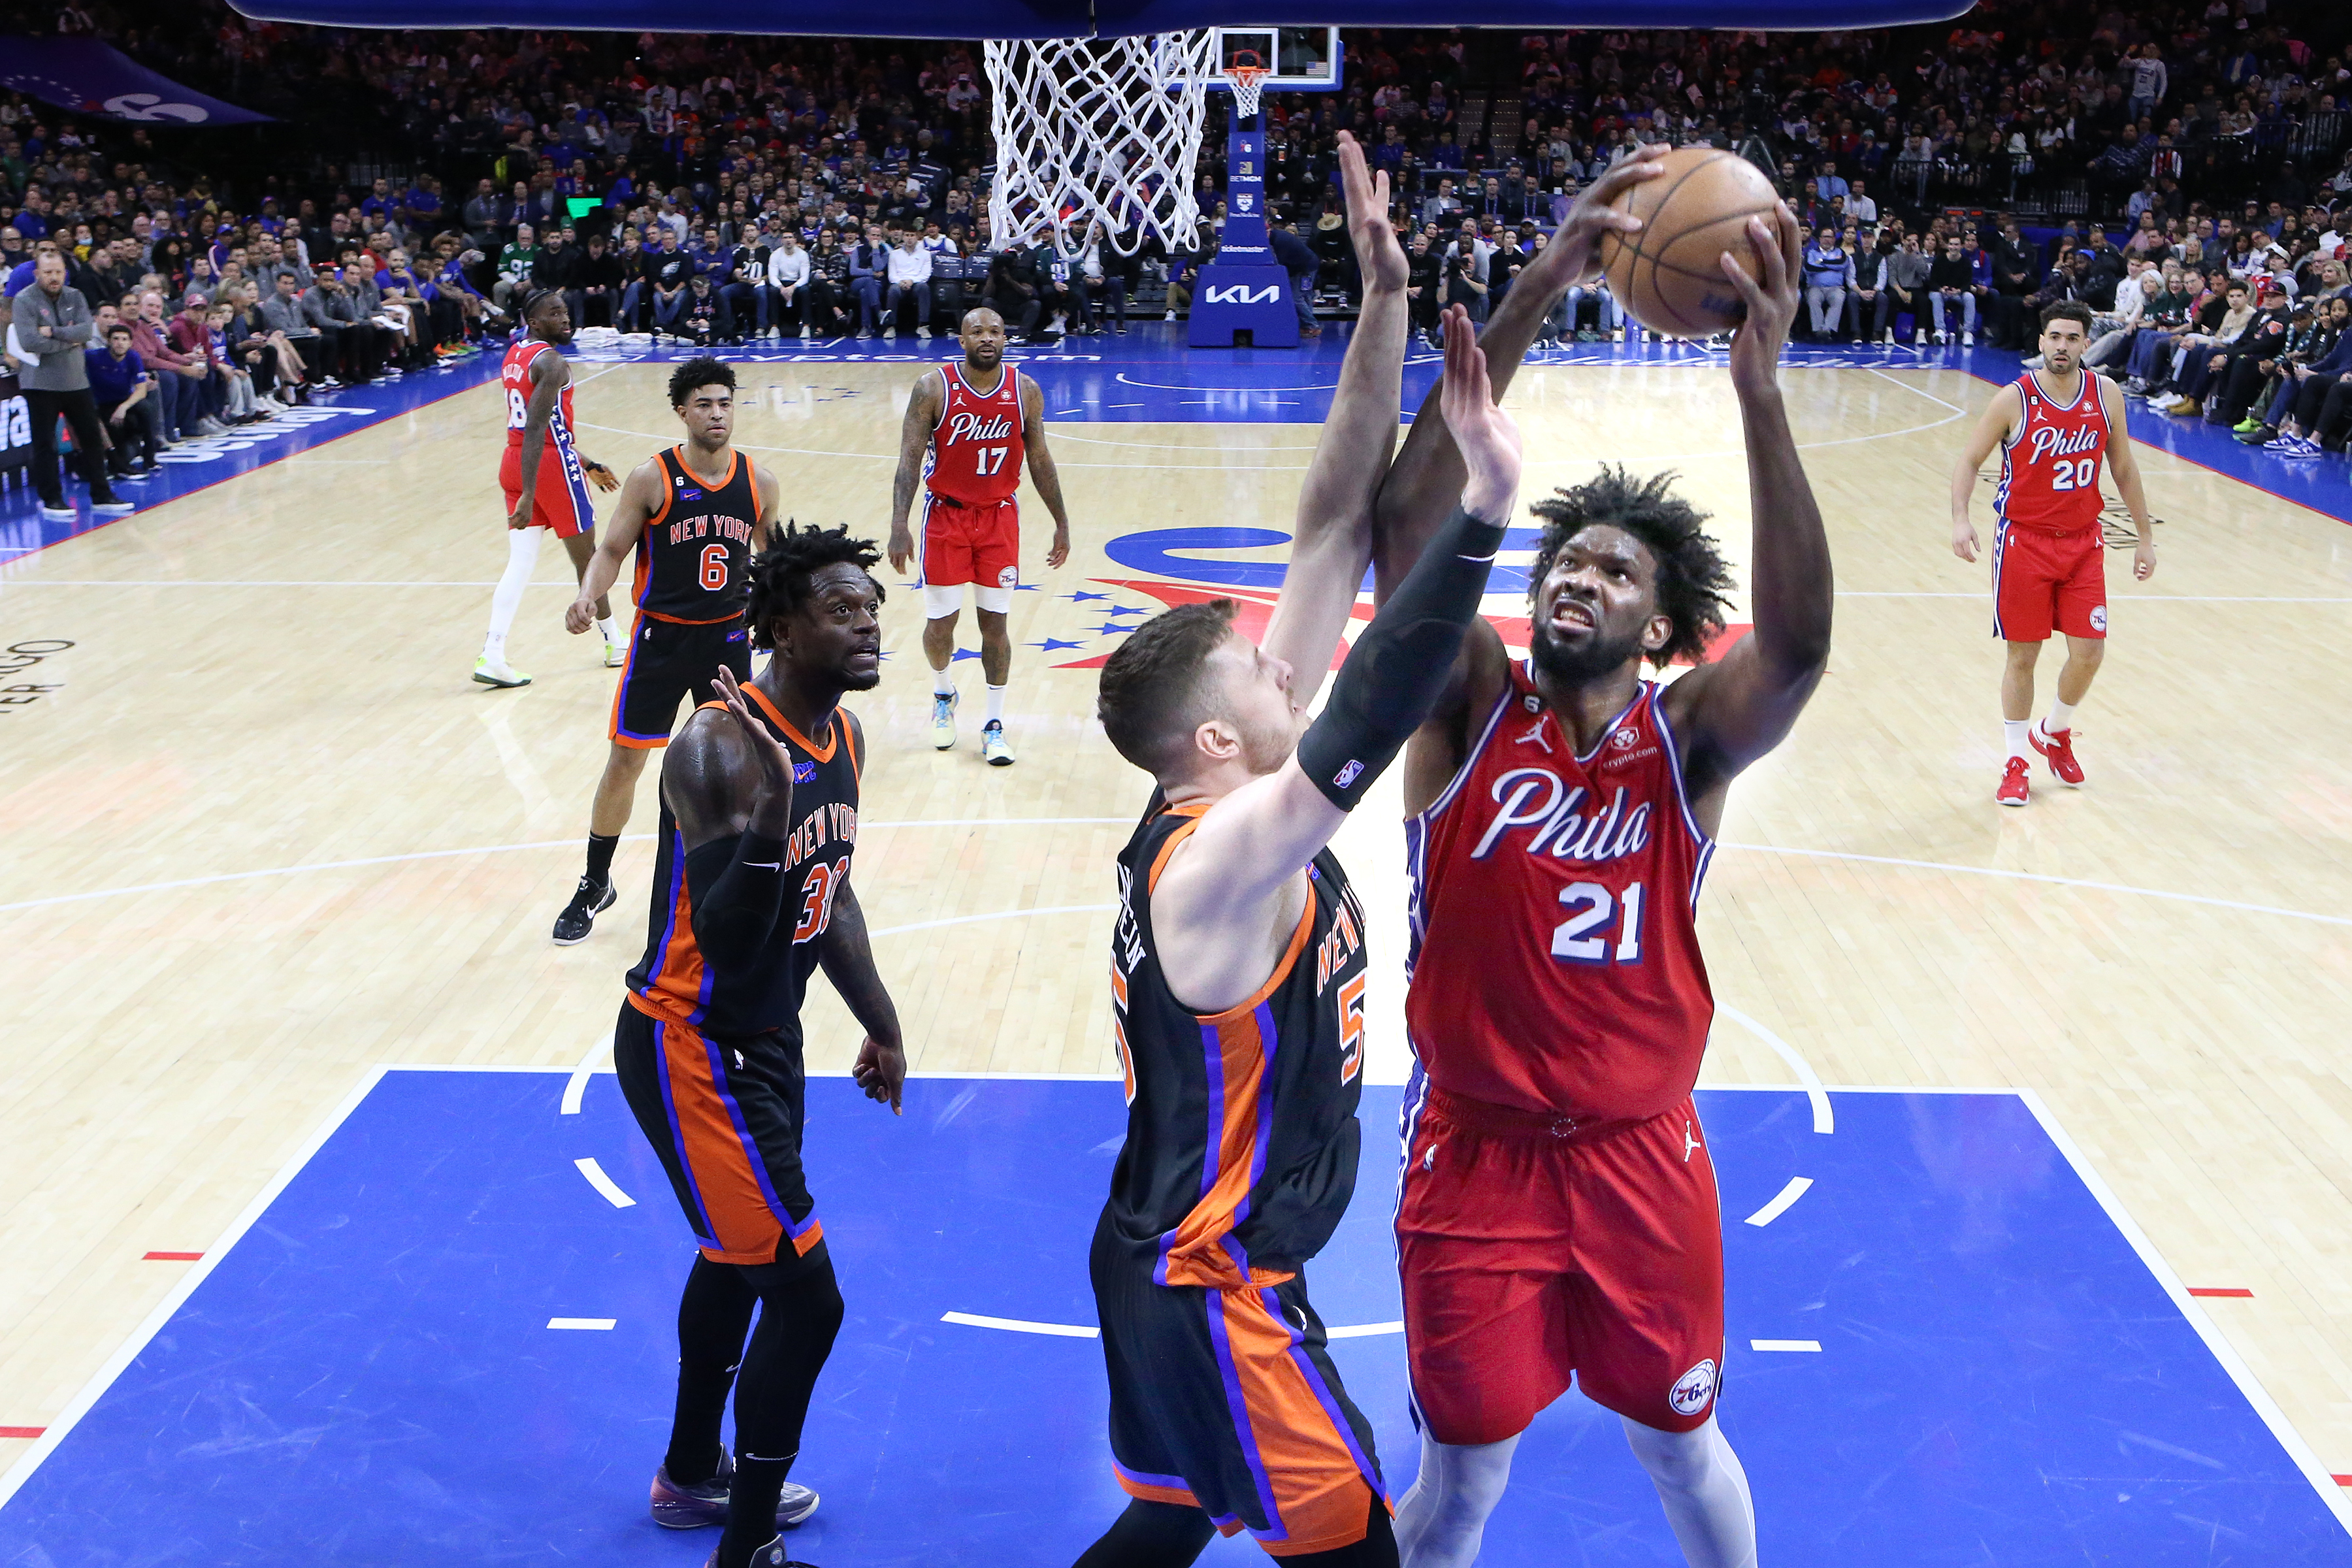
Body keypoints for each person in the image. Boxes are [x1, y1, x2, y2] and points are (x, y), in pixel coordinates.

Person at [1368, 144, 1833, 1568]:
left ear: (1659, 624)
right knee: (1461, 1482)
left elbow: (1802, 647)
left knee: (1680, 1445)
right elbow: (1402, 539)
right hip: (1475, 1156)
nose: (1580, 574)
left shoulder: (1688, 744)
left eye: (1619, 572)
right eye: (1566, 560)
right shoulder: (1465, 706)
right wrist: (1543, 284)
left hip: (1643, 1161)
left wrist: (1761, 398)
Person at [1075, 134, 1487, 1568]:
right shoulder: (1226, 860)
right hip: (1215, 1279)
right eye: (1260, 677)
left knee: (1170, 1524)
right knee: (1353, 1547)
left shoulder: (1211, 792)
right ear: (1219, 746)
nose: (1286, 670)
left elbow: (1330, 525)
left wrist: (1380, 303)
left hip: (1170, 1246)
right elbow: (1370, 714)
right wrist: (1483, 514)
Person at [613, 525, 904, 1568]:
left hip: (767, 1045)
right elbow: (735, 941)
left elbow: (830, 890)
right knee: (808, 1297)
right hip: (695, 1044)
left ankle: (690, 1475)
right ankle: (743, 1553)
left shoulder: (844, 736)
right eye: (842, 609)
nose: (870, 622)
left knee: (737, 1264)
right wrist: (775, 814)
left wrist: (879, 1016)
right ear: (781, 625)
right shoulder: (719, 746)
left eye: (872, 605)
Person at [549, 357, 779, 945]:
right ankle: (595, 882)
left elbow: (776, 564)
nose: (717, 413)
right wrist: (586, 596)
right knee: (626, 761)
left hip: (727, 640)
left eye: (725, 402)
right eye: (704, 404)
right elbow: (611, 550)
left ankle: (738, 878)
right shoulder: (651, 477)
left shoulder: (759, 481)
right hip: (660, 638)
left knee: (739, 768)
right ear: (682, 412)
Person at [1950, 301, 2156, 807]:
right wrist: (1960, 518)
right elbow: (1970, 460)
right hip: (2025, 541)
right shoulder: (2013, 400)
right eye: (2054, 337)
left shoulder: (2106, 394)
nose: (2062, 346)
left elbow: (2124, 469)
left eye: (2072, 338)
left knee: (2090, 651)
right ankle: (2016, 760)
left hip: (2084, 543)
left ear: (2087, 343)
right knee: (2024, 655)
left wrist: (2145, 537)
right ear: (2041, 342)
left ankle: (2055, 730)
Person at [885, 307, 1073, 764]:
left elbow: (1040, 458)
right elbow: (910, 460)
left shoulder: (1024, 391)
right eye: (977, 332)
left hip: (998, 520)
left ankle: (993, 723)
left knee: (996, 625)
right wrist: (898, 524)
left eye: (996, 331)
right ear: (961, 340)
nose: (987, 338)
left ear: (1006, 339)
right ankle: (944, 693)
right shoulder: (932, 388)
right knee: (940, 626)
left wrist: (1061, 520)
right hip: (945, 520)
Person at [479, 289, 625, 688]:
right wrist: (531, 491)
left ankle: (493, 653)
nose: (565, 318)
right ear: (534, 321)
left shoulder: (516, 354)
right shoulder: (554, 362)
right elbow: (538, 430)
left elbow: (537, 427)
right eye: (554, 313)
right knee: (589, 559)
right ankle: (615, 643)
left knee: (521, 563)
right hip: (546, 467)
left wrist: (589, 463)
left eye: (566, 310)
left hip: (515, 461)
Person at [16, 251, 133, 521]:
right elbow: (30, 342)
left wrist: (55, 333)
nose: (54, 277)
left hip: (75, 382)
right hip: (40, 384)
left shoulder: (76, 296)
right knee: (46, 444)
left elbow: (84, 332)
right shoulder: (25, 300)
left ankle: (102, 494)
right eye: (48, 272)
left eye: (58, 272)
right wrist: (69, 341)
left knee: (92, 439)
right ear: (37, 274)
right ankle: (52, 499)